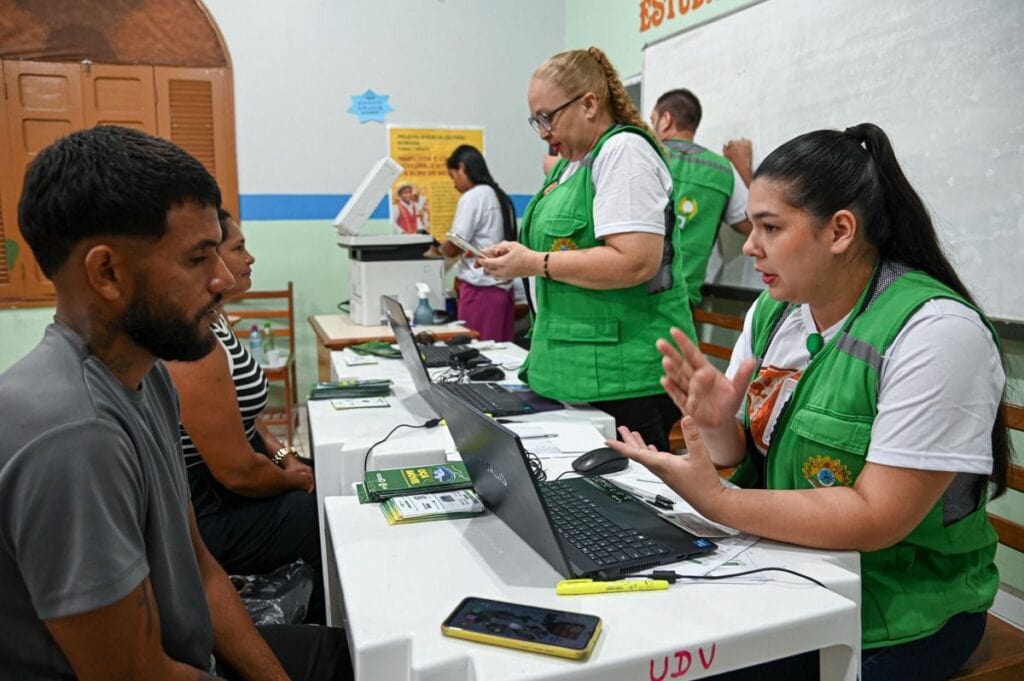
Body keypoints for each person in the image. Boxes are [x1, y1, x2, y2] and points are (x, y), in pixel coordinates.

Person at [609, 123, 1010, 681]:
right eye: (753, 225)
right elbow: (746, 451)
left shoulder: (937, 333)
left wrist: (719, 502)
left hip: (898, 611)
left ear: (841, 230)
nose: (750, 245)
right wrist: (720, 423)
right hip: (787, 568)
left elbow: (876, 517)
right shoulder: (778, 310)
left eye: (770, 227)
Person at [0, 125, 350, 680]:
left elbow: (202, 572)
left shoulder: (150, 378)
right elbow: (136, 674)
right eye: (198, 258)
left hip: (188, 656)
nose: (222, 279)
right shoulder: (74, 436)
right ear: (107, 272)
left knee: (353, 651)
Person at [479, 47, 694, 452]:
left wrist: (535, 263)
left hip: (622, 375)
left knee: (634, 503)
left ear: (590, 104)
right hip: (574, 367)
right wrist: (518, 256)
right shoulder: (569, 165)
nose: (543, 131)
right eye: (535, 120)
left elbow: (635, 261)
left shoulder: (623, 153)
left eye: (548, 116)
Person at [166, 208, 324, 624]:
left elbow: (248, 419)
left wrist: (286, 457)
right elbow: (235, 473)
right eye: (238, 248)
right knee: (317, 513)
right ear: (207, 262)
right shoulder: (192, 344)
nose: (249, 258)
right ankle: (327, 635)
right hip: (208, 507)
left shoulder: (218, 321)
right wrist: (292, 479)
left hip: (238, 480)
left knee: (331, 477)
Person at [651, 88, 752, 307]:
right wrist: (743, 169)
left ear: (666, 120)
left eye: (653, 121)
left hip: (633, 295)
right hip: (682, 302)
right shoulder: (723, 169)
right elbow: (754, 224)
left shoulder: (644, 156)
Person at [439, 144, 518, 341]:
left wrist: (437, 250)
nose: (454, 184)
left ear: (463, 168)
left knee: (477, 354)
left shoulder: (473, 196)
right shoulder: (499, 195)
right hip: (503, 291)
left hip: (481, 291)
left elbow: (456, 243)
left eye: (453, 176)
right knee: (500, 352)